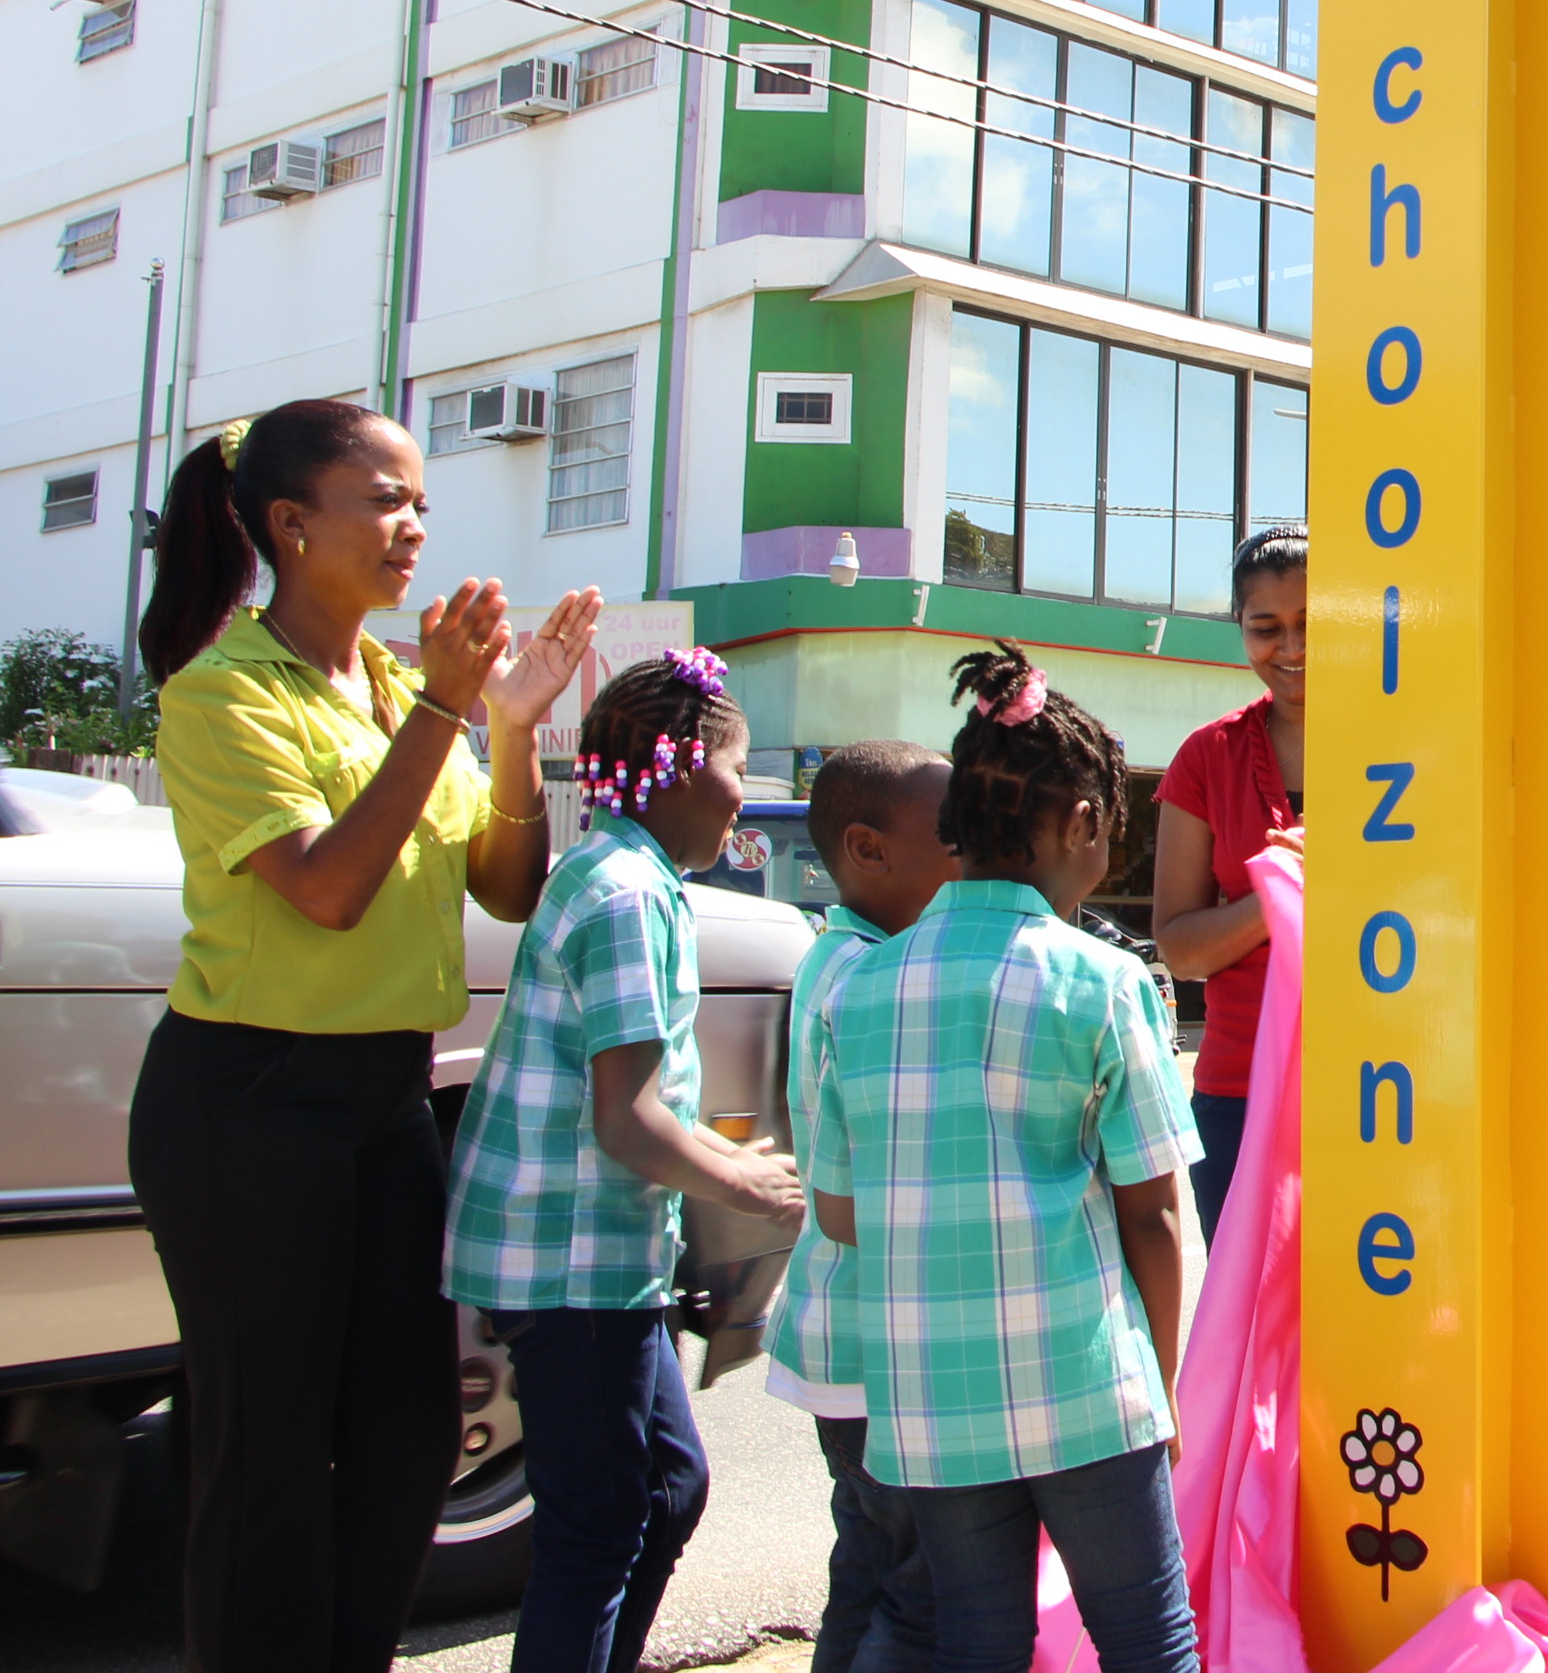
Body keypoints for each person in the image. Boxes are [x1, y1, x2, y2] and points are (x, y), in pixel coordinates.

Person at [130, 400, 599, 1673]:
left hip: (385, 1097)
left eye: (421, 503)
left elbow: (506, 886)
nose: (415, 528)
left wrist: (509, 728)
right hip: (248, 1101)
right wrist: (447, 713)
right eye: (385, 499)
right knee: (266, 1446)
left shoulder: (402, 688)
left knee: (405, 1435)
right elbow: (329, 891)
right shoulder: (222, 695)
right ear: (290, 525)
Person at [813, 645, 1201, 1673]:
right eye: (1107, 838)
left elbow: (841, 1213)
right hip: (1086, 1383)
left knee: (977, 1644)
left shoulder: (858, 988)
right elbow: (1155, 1214)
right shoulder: (1107, 984)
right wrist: (1161, 1385)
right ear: (1079, 823)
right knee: (1149, 1642)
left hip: (930, 1397)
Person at [444, 651, 807, 1673]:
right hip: (573, 1268)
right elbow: (630, 1122)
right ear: (688, 767)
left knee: (668, 1490)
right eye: (739, 766)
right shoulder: (625, 896)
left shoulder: (615, 870)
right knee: (599, 1525)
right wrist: (748, 1184)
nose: (746, 792)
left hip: (597, 1262)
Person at [768, 740, 959, 1673]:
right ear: (867, 849)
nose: (970, 854)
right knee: (916, 1588)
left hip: (840, 1341)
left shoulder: (841, 956)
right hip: (877, 1349)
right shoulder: (870, 977)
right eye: (951, 837)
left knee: (867, 1564)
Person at [1152, 525, 1307, 1242]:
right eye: (1266, 628)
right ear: (1239, 628)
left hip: (1382, 1089)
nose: (1293, 649)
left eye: (1313, 623)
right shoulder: (1206, 756)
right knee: (1249, 1331)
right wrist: (1283, 890)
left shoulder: (1408, 750)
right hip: (1240, 1092)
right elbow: (1181, 949)